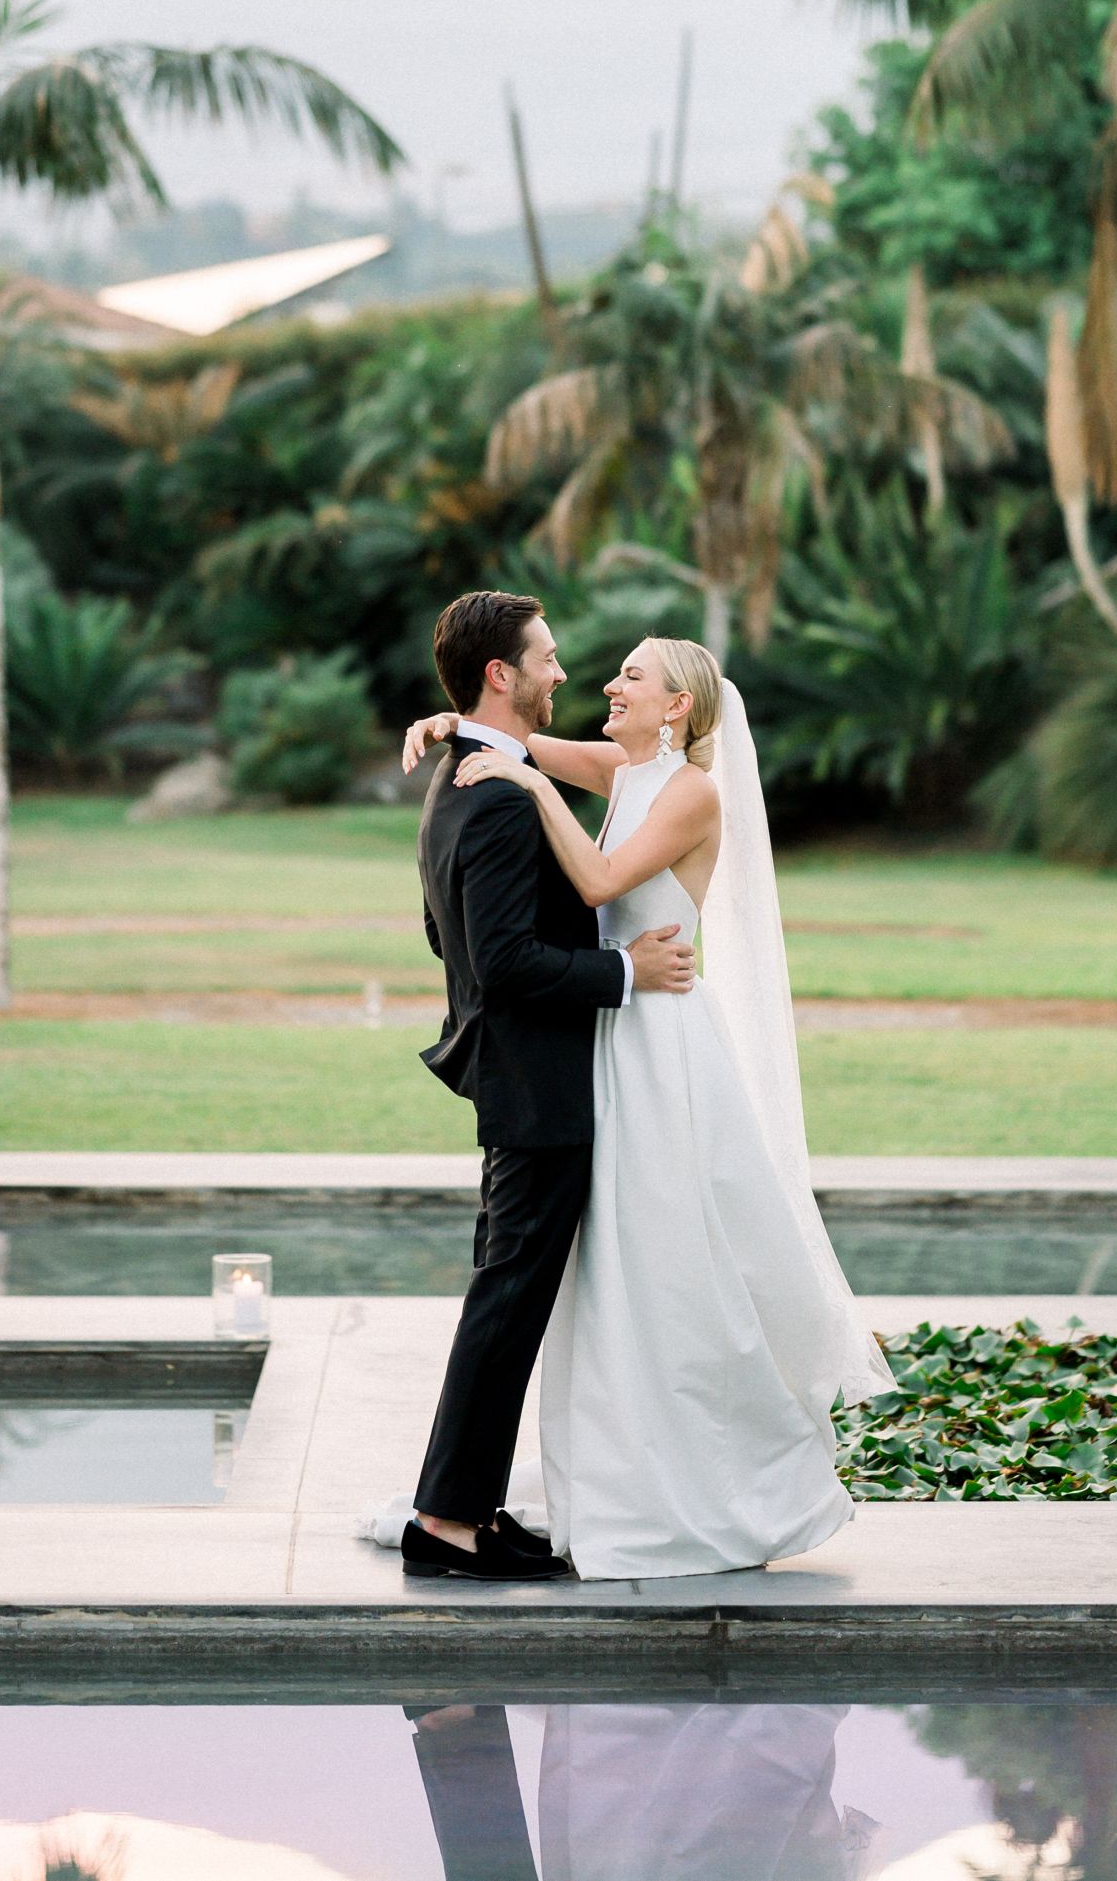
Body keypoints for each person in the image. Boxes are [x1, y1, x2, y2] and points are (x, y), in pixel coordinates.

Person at [402, 628, 893, 1581]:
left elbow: (592, 877)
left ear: (678, 706)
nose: (602, 681)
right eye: (602, 668)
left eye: (632, 674)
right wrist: (457, 722)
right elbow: (521, 741)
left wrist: (530, 788)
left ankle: (710, 1481)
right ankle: (596, 1483)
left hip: (661, 1043)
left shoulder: (691, 789)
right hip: (607, 1039)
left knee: (674, 1261)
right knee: (611, 1277)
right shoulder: (623, 769)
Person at [401, 590, 698, 1583]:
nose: (565, 673)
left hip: (529, 1073)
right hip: (536, 1079)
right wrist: (625, 974)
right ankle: (445, 1523)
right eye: (548, 656)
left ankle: (465, 1505)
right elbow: (503, 960)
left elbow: (452, 936)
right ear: (502, 672)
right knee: (508, 1294)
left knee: (513, 1290)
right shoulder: (491, 791)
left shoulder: (470, 773)